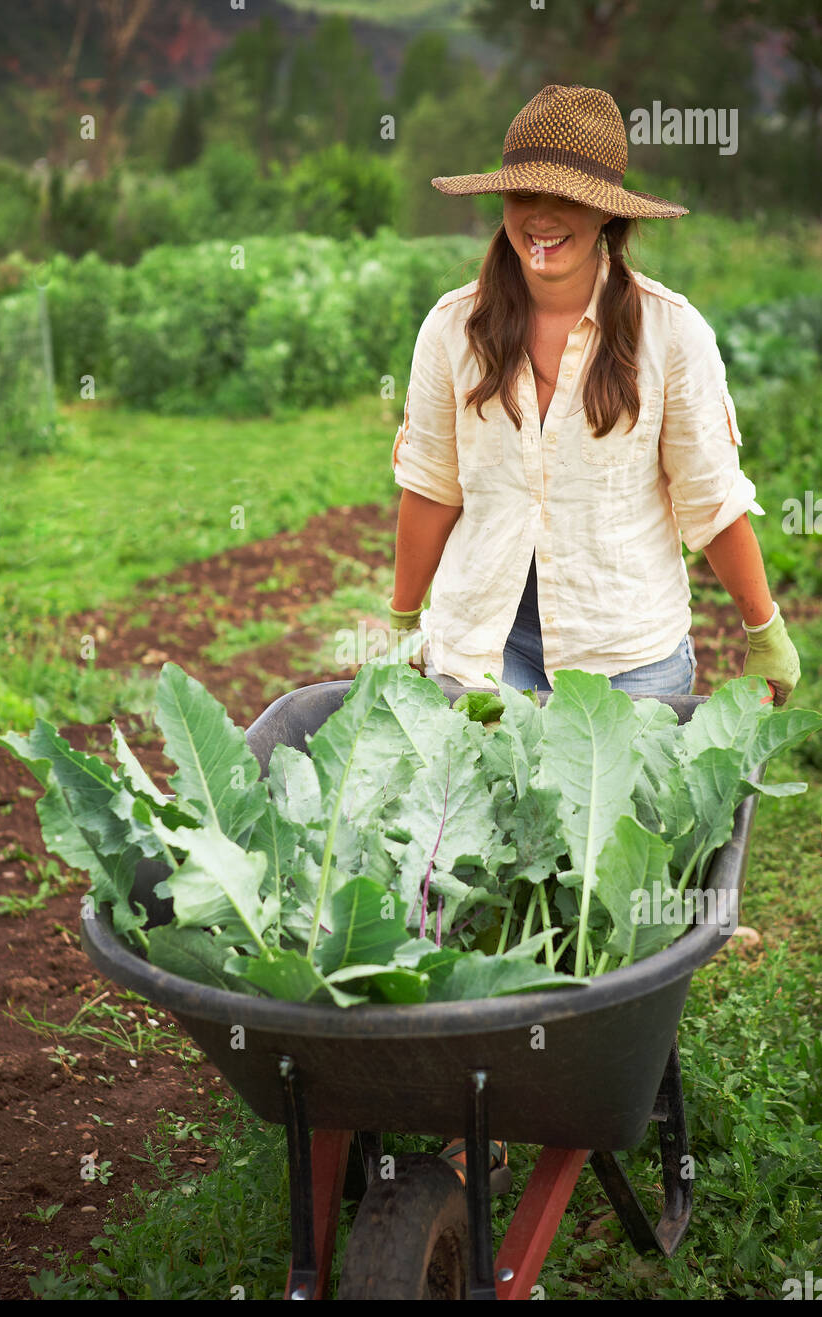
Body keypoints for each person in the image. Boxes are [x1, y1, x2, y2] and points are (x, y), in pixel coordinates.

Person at [387, 83, 801, 1191]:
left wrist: (763, 631)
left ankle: (577, 1083)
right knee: (459, 880)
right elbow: (428, 487)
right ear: (504, 200)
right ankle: (452, 1101)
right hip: (480, 651)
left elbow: (710, 500)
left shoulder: (667, 332)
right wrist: (397, 619)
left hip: (621, 657)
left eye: (567, 199)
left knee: (597, 905)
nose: (542, 218)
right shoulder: (451, 327)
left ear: (609, 212)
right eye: (526, 194)